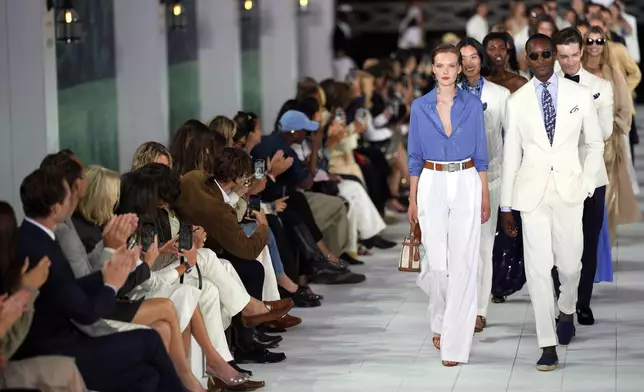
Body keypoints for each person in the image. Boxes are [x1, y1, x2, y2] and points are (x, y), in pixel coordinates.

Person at [13, 168, 188, 391]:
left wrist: (107, 274)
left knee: (147, 376)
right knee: (150, 342)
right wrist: (111, 283)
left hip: (59, 336)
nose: (76, 198)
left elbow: (67, 289)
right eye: (70, 196)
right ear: (56, 207)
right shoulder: (47, 245)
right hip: (60, 346)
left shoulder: (31, 236)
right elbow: (88, 312)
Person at [500, 34, 604, 371]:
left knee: (571, 266)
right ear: (526, 59)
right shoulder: (516, 102)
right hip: (531, 195)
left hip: (570, 191)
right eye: (535, 55)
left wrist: (587, 184)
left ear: (555, 56)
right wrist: (505, 206)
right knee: (538, 269)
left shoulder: (580, 94)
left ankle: (567, 307)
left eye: (548, 53)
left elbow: (595, 144)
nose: (542, 59)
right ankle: (547, 344)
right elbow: (510, 155)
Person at [408, 44, 489, 367]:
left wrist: (485, 193)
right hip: (431, 180)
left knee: (464, 263)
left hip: (467, 178)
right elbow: (414, 156)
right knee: (438, 264)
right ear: (432, 69)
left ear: (459, 69)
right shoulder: (419, 107)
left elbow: (481, 153)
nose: (445, 70)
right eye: (439, 65)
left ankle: (455, 344)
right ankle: (440, 318)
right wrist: (412, 199)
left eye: (451, 65)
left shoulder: (472, 105)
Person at [553, 27, 614, 326]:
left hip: (591, 175)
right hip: (555, 175)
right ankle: (561, 302)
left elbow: (603, 132)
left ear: (581, 52)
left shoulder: (600, 85)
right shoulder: (544, 86)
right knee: (558, 242)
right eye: (562, 57)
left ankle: (583, 302)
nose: (568, 62)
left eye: (573, 55)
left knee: (588, 241)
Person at [457, 38, 510, 332]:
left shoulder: (500, 95)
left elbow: (511, 140)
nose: (469, 63)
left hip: (491, 178)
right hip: (455, 179)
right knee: (457, 248)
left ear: (481, 59)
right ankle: (459, 304)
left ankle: (479, 309)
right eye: (462, 58)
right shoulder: (445, 94)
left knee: (483, 246)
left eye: (474, 56)